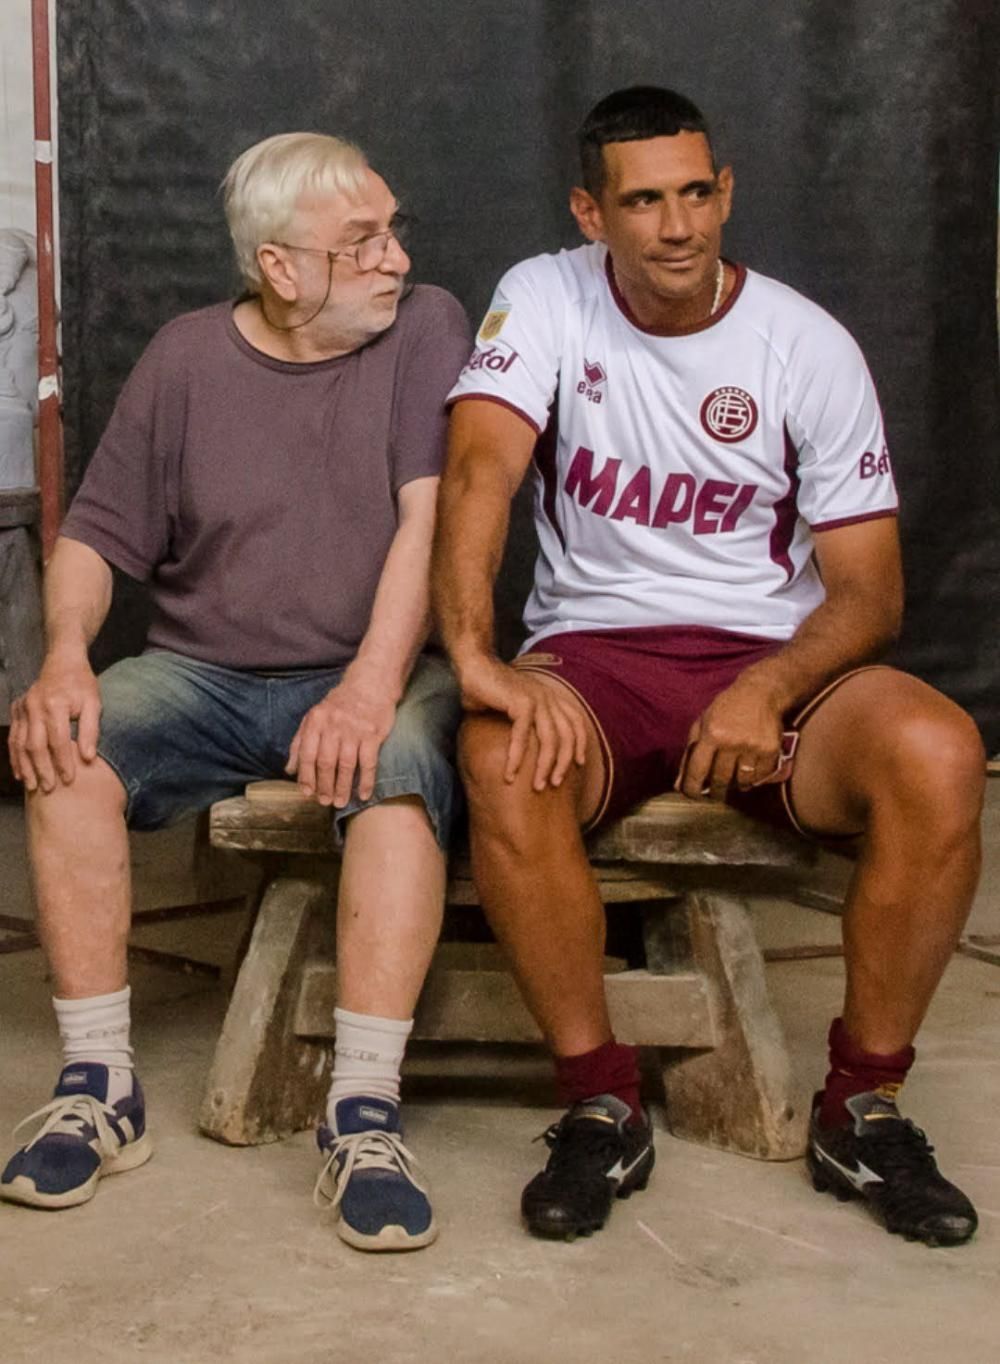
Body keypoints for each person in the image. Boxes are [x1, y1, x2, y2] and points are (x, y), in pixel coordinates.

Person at [432, 86, 985, 1246]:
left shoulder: (804, 343)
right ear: (591, 212)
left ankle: (862, 1106)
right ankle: (601, 1100)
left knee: (938, 750)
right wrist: (475, 654)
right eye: (643, 201)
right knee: (501, 757)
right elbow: (480, 469)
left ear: (724, 191)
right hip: (599, 653)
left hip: (770, 657)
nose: (677, 225)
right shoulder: (546, 295)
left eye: (695, 193)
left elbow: (870, 592)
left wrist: (766, 687)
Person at [4, 131, 470, 1253]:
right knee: (68, 746)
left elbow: (429, 521)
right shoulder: (184, 358)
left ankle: (363, 1112)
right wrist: (62, 658)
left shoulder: (425, 327)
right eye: (362, 241)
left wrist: (366, 689)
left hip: (371, 667)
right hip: (205, 674)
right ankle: (100, 1083)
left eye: (394, 230)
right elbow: (95, 538)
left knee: (402, 770)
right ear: (279, 266)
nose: (396, 258)